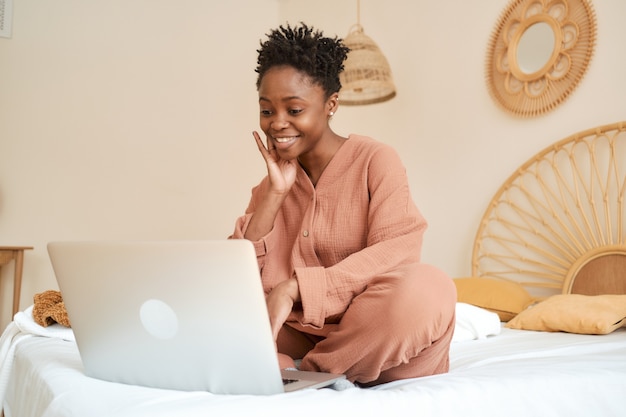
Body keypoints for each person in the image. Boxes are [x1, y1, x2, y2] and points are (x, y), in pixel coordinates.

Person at [230, 23, 456, 387]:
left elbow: (395, 253)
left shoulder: (375, 161)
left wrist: (297, 287)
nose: (278, 123)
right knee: (205, 308)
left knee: (430, 289)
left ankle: (309, 371)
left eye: (294, 109)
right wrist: (274, 195)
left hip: (369, 327)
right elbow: (235, 282)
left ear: (331, 104)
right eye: (267, 110)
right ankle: (309, 367)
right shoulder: (268, 187)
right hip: (295, 332)